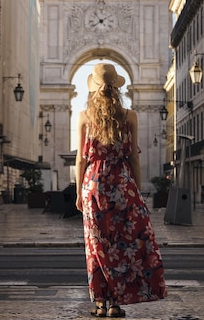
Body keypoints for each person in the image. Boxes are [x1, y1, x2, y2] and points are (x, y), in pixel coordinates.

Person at [75, 63, 167, 318]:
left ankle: (100, 304)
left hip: (93, 186)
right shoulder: (130, 116)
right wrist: (136, 190)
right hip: (122, 184)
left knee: (97, 246)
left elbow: (81, 160)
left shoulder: (84, 116)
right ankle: (115, 303)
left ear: (94, 87)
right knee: (123, 246)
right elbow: (134, 159)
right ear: (117, 87)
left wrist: (78, 192)